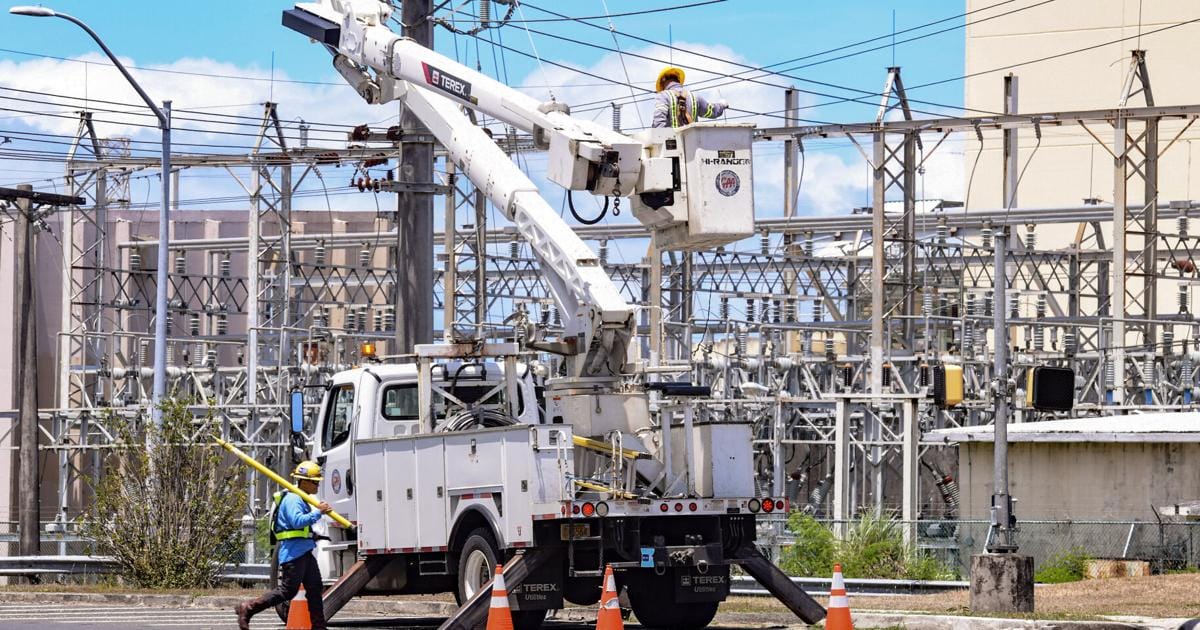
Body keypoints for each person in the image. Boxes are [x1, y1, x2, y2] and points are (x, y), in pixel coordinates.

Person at [236, 461, 334, 630]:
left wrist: (312, 535)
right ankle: (248, 608)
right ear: (303, 481)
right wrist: (318, 512)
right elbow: (297, 522)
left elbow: (299, 528)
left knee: (315, 589)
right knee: (287, 591)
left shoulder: (300, 498)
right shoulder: (293, 499)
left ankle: (319, 626)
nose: (317, 484)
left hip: (304, 552)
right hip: (294, 554)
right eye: (315, 481)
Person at [652, 66, 728, 128]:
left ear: (663, 81)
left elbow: (658, 122)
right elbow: (712, 111)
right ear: (678, 79)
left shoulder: (663, 96)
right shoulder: (695, 97)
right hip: (692, 144)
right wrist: (721, 105)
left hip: (671, 144)